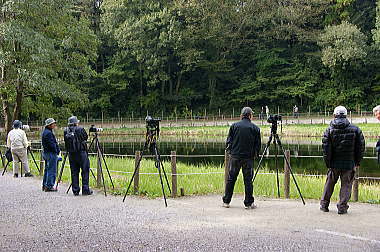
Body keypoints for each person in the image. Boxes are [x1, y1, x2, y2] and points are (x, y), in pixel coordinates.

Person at [320, 106, 365, 214]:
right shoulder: (356, 129)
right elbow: (361, 147)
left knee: (329, 184)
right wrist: (357, 161)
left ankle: (324, 205)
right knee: (346, 185)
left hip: (334, 163)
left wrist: (328, 163)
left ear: (334, 115)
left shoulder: (329, 130)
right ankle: (342, 207)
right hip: (349, 163)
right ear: (346, 115)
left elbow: (326, 149)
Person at [222, 107, 261, 209]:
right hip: (248, 158)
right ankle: (248, 203)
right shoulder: (255, 128)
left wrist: (231, 152)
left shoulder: (234, 126)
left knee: (231, 179)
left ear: (242, 115)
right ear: (249, 115)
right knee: (248, 180)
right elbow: (258, 146)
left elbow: (228, 142)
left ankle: (226, 201)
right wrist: (255, 154)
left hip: (235, 157)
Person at [64, 116, 93, 196]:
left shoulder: (66, 130)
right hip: (81, 153)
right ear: (76, 123)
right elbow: (85, 137)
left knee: (74, 172)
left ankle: (75, 190)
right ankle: (85, 189)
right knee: (85, 171)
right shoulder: (80, 129)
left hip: (71, 154)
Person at [42, 118, 60, 192]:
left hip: (46, 152)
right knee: (52, 170)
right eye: (53, 123)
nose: (54, 125)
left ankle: (44, 185)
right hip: (51, 153)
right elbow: (52, 144)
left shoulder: (45, 132)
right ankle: (49, 186)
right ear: (49, 125)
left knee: (47, 169)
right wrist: (57, 151)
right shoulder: (49, 133)